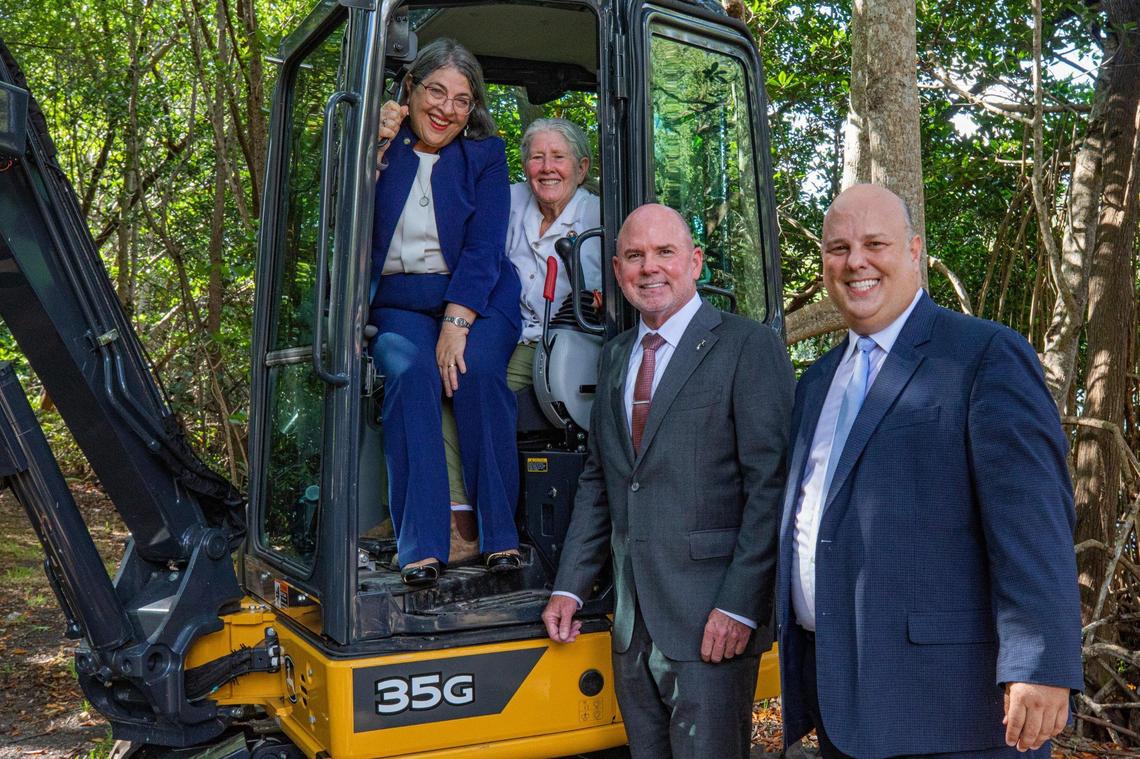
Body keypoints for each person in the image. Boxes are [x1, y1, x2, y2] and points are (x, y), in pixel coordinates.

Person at [777, 183, 1083, 758]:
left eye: (875, 244)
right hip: (843, 700)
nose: (855, 262)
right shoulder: (817, 382)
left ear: (915, 250)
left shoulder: (983, 355)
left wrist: (1040, 662)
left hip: (956, 710)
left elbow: (1034, 521)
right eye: (838, 248)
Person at [541, 204, 794, 759]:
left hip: (711, 623)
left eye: (665, 253)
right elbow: (600, 481)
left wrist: (740, 606)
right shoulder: (613, 359)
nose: (649, 268)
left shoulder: (747, 346)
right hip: (632, 625)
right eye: (635, 256)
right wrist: (569, 585)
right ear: (617, 269)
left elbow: (770, 488)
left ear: (695, 262)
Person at [370, 38, 522, 588]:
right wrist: (376, 148)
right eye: (436, 90)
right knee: (411, 375)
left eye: (462, 99)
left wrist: (457, 324)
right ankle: (422, 545)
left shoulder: (485, 154)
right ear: (410, 90)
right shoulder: (379, 145)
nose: (447, 109)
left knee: (476, 372)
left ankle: (500, 535)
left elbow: (485, 248)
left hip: (477, 297)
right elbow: (340, 210)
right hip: (401, 300)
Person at [440, 118, 601, 543]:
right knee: (441, 375)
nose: (547, 167)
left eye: (558, 157)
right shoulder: (509, 201)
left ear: (581, 168)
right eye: (536, 157)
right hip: (506, 328)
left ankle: (472, 525)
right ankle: (455, 513)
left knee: (465, 385)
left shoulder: (600, 218)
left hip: (564, 345)